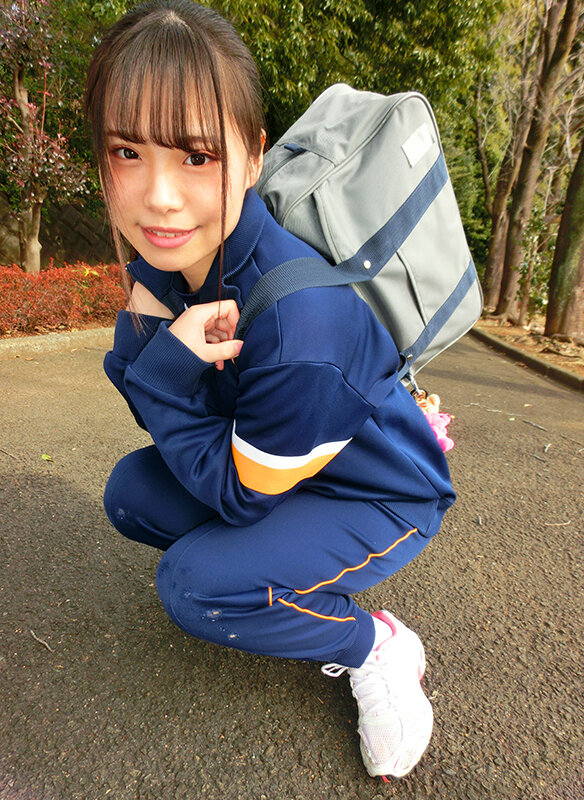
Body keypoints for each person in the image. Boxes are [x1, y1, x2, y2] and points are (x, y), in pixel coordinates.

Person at [85, 0, 455, 781]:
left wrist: (162, 369)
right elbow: (152, 394)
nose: (158, 196)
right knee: (131, 495)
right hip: (278, 465)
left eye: (196, 156)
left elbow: (236, 490)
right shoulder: (172, 258)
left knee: (193, 588)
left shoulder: (300, 327)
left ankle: (376, 645)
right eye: (126, 152)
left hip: (377, 497)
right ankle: (266, 577)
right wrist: (156, 357)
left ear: (252, 156)